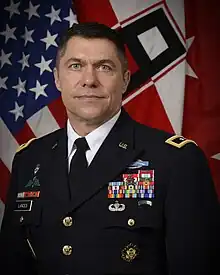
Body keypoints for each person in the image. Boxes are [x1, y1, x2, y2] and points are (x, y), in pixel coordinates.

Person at [0, 22, 219, 275]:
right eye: (75, 66)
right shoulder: (29, 159)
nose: (89, 80)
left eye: (104, 67)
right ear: (57, 79)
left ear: (125, 80)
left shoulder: (175, 161)